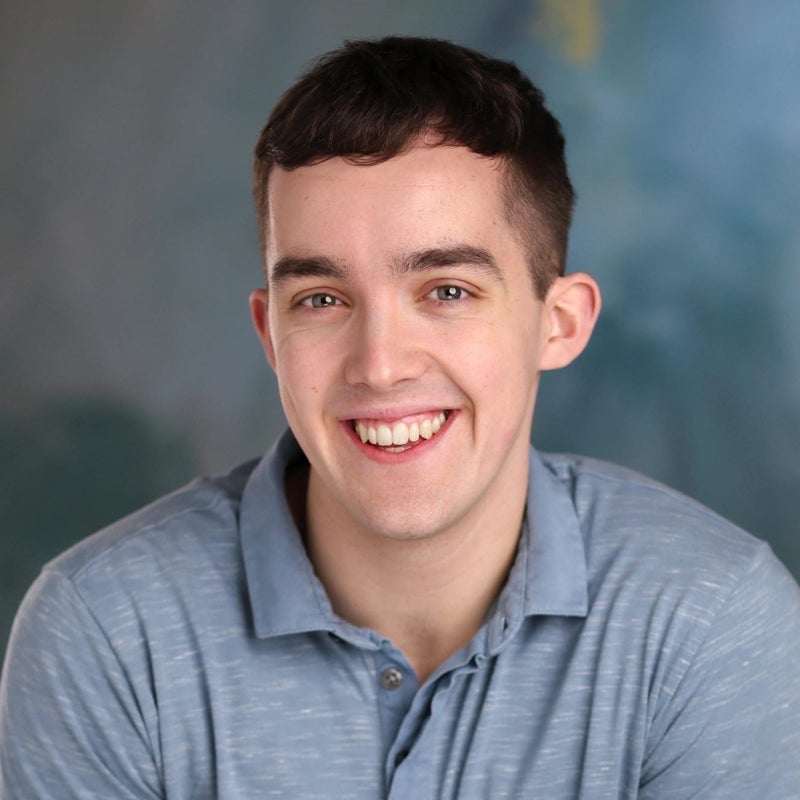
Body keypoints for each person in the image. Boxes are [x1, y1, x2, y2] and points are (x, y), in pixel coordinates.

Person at [1, 36, 798, 799]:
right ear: (270, 336)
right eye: (321, 299)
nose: (380, 365)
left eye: (447, 291)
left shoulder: (713, 622)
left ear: (558, 324)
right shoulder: (105, 635)